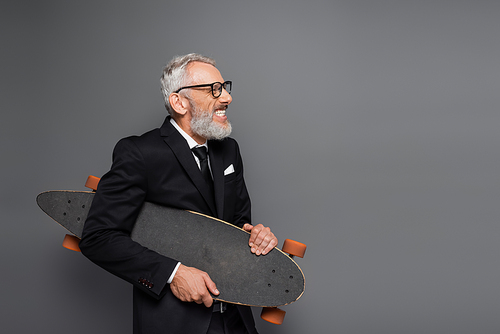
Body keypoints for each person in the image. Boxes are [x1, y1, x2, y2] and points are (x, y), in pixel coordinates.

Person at [79, 53, 278, 334]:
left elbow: (236, 225)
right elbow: (99, 238)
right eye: (213, 90)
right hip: (175, 324)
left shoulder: (229, 149)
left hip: (237, 321)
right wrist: (173, 273)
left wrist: (256, 235)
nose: (226, 98)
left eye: (224, 87)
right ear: (179, 101)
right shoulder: (139, 153)